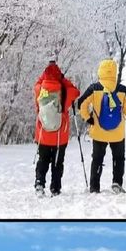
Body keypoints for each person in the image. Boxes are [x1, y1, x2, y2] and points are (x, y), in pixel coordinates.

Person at [78, 59, 126, 194]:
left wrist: (89, 118)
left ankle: (94, 187)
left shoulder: (94, 88)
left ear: (100, 71)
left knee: (97, 158)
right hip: (117, 134)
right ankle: (116, 182)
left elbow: (81, 104)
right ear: (115, 72)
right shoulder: (122, 89)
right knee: (118, 158)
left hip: (99, 132)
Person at [33, 59, 80, 196]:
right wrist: (63, 79)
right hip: (60, 135)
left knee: (43, 160)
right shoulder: (64, 89)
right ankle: (55, 188)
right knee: (57, 163)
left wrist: (44, 77)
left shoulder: (39, 88)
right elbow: (76, 92)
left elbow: (36, 84)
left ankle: (39, 183)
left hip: (43, 133)